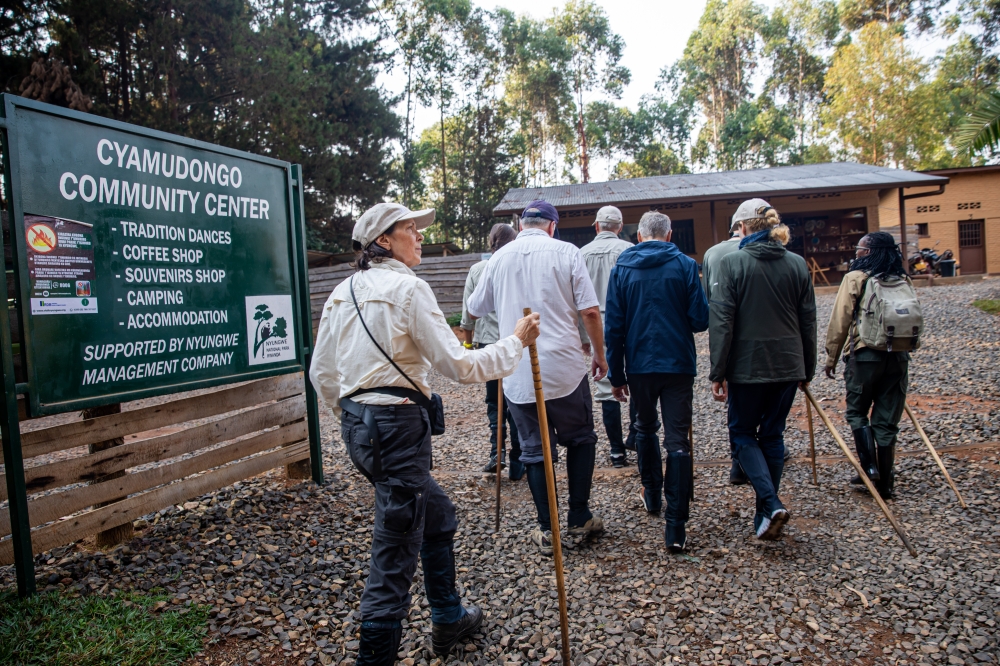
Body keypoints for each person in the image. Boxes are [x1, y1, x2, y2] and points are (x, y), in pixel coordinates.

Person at [310, 202, 541, 665]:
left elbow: (322, 374)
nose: (419, 236)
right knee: (393, 556)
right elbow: (458, 365)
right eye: (409, 229)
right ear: (382, 241)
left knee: (437, 513)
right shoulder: (410, 290)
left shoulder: (341, 292)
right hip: (395, 432)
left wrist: (357, 414)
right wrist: (516, 341)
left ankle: (449, 616)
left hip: (362, 430)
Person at [467, 199, 607, 555]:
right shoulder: (567, 252)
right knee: (579, 438)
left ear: (522, 222)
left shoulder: (498, 258)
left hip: (518, 371)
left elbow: (476, 307)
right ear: (552, 225)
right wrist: (601, 355)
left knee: (534, 450)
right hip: (565, 366)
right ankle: (578, 515)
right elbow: (589, 310)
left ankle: (548, 528)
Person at [709, 200, 816, 541]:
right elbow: (808, 321)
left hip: (748, 366)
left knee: (742, 434)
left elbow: (722, 322)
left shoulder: (732, 263)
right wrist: (807, 367)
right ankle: (765, 514)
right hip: (788, 364)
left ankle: (769, 503)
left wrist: (717, 371)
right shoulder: (797, 264)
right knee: (771, 435)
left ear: (742, 228)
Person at [605, 211, 709, 552]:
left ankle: (652, 493)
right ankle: (676, 526)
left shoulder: (622, 268)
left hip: (639, 364)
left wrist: (616, 375)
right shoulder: (684, 264)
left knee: (645, 426)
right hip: (678, 362)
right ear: (668, 234)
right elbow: (699, 320)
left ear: (638, 236)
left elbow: (614, 327)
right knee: (678, 441)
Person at [823, 231, 915, 499]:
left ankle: (869, 468)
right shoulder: (903, 279)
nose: (856, 253)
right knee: (887, 421)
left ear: (869, 252)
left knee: (857, 412)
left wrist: (831, 356)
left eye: (860, 249)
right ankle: (885, 483)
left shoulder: (856, 278)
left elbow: (840, 321)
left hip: (864, 356)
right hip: (897, 356)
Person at [461, 223, 524, 479]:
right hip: (517, 339)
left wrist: (467, 343)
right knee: (517, 398)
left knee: (494, 401)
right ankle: (520, 458)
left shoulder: (478, 269)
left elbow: (468, 312)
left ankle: (496, 452)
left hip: (489, 344)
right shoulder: (519, 265)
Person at [579, 205, 636, 468]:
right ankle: (636, 434)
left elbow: (576, 299)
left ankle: (616, 451)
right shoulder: (629, 251)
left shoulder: (581, 254)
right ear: (620, 227)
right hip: (627, 321)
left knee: (605, 388)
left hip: (596, 323)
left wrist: (583, 336)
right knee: (636, 379)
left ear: (596, 226)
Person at [701, 207, 749, 486]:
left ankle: (737, 459)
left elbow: (710, 301)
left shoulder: (712, 254)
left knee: (738, 403)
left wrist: (717, 368)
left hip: (729, 336)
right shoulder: (770, 253)